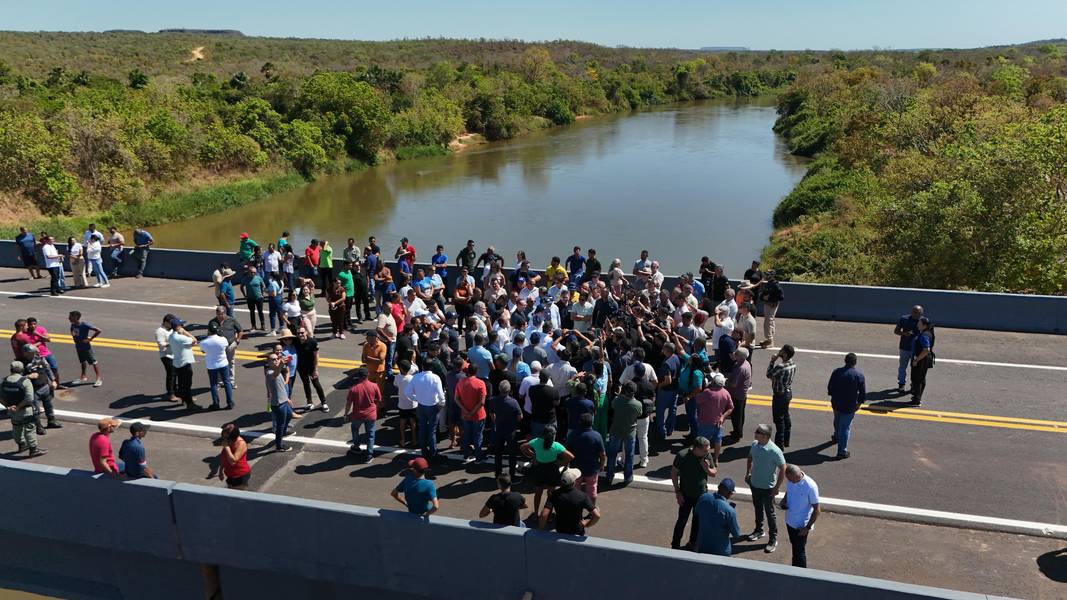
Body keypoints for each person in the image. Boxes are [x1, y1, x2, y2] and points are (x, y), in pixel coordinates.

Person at [743, 424, 786, 554]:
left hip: (768, 488)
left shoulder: (775, 451)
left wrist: (777, 487)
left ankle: (773, 539)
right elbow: (750, 457)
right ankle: (759, 530)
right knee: (758, 508)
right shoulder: (755, 444)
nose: (755, 433)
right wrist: (748, 473)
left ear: (766, 436)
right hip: (755, 484)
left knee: (770, 513)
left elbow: (783, 467)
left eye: (758, 432)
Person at [670, 436, 717, 550]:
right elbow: (674, 474)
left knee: (697, 521)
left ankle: (693, 542)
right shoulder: (682, 456)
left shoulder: (706, 456)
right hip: (685, 495)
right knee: (682, 521)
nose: (708, 452)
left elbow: (714, 472)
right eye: (705, 450)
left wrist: (706, 468)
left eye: (708, 449)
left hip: (701, 496)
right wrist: (678, 492)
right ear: (696, 449)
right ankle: (675, 545)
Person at [521, 425, 575, 515]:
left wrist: (531, 454)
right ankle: (547, 515)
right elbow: (571, 457)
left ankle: (536, 513)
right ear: (554, 435)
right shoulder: (556, 445)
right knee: (551, 493)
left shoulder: (536, 441)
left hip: (539, 469)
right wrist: (560, 462)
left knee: (538, 492)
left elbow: (522, 447)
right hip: (552, 470)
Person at [2, 361, 46, 457]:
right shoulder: (24, 381)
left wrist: (8, 406)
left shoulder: (4, 381)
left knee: (16, 428)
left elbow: (0, 397)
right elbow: (29, 398)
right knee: (30, 429)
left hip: (12, 411)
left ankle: (22, 445)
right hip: (25, 410)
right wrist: (18, 407)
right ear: (21, 370)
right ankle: (33, 449)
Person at [539, 468, 600, 535]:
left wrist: (541, 530)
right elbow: (597, 515)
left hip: (560, 529)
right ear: (574, 482)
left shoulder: (554, 494)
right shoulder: (582, 496)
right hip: (577, 530)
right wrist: (587, 524)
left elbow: (544, 514)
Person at [828, 352, 866, 459]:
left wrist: (833, 396)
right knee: (845, 428)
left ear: (845, 361)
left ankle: (836, 436)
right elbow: (862, 393)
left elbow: (830, 388)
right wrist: (858, 404)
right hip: (849, 405)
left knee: (837, 420)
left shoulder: (836, 372)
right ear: (855, 363)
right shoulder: (859, 375)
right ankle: (841, 451)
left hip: (836, 403)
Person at [782, 464, 820, 568]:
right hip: (790, 521)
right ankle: (795, 570)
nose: (790, 482)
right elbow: (789, 491)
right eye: (789, 480)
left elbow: (817, 509)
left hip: (801, 526)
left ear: (798, 475)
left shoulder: (810, 486)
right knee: (795, 547)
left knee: (799, 552)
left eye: (792, 480)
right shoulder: (791, 480)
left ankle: (801, 573)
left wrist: (807, 528)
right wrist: (784, 500)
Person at [692, 372, 733, 467]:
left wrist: (706, 387)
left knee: (701, 442)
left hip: (705, 422)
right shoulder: (725, 393)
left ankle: (701, 458)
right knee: (718, 441)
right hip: (718, 423)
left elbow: (697, 400)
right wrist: (723, 417)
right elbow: (731, 408)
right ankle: (715, 459)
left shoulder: (708, 392)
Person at [605, 381, 642, 486]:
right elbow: (639, 414)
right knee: (630, 456)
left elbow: (613, 406)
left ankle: (609, 476)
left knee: (612, 455)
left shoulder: (617, 401)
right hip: (630, 433)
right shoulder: (637, 404)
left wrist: (619, 394)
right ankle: (628, 477)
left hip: (616, 431)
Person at [344, 367, 383, 463]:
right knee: (370, 435)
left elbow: (349, 403)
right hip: (371, 414)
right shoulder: (374, 386)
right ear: (368, 375)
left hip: (357, 415)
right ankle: (369, 455)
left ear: (358, 377)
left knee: (355, 428)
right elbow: (379, 399)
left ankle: (356, 447)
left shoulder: (353, 389)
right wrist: (376, 408)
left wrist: (346, 414)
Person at [694, 478, 741, 556]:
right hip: (721, 551)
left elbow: (696, 512)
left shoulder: (703, 497)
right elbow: (736, 534)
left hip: (703, 547)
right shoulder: (730, 510)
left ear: (718, 487)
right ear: (729, 493)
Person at [567, 412, 606, 505]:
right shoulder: (597, 436)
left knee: (575, 489)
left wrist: (567, 465)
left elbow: (567, 452)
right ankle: (591, 510)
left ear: (580, 422)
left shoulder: (572, 434)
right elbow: (602, 454)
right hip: (592, 468)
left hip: (576, 469)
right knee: (592, 489)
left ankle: (576, 509)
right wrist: (602, 465)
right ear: (592, 422)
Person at [409, 367, 446, 459]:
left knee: (422, 429)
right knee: (432, 431)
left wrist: (416, 398)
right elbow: (441, 394)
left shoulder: (416, 377)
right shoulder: (435, 377)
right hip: (433, 407)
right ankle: (433, 453)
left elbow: (407, 392)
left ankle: (424, 451)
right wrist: (442, 404)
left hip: (421, 406)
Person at [489, 379, 522, 479]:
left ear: (499, 389)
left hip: (499, 429)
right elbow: (520, 417)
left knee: (498, 452)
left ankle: (497, 473)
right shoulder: (513, 402)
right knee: (512, 453)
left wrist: (495, 420)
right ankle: (512, 474)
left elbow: (491, 413)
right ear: (509, 390)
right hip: (510, 430)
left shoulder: (493, 400)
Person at [455, 363, 488, 462]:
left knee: (466, 434)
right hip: (478, 415)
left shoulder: (460, 382)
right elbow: (482, 402)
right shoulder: (481, 383)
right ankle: (478, 456)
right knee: (478, 436)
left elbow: (456, 399)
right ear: (476, 371)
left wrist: (466, 411)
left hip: (465, 415)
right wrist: (472, 412)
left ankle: (466, 454)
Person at [766, 344, 796, 448]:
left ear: (785, 354)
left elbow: (769, 374)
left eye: (782, 350)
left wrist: (772, 361)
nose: (780, 351)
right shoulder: (792, 364)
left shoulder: (780, 367)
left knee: (779, 420)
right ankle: (786, 440)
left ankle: (779, 443)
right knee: (786, 415)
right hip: (788, 393)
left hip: (780, 395)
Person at [293, 326, 329, 412]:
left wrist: (315, 369)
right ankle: (309, 402)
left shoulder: (312, 342)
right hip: (301, 367)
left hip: (311, 367)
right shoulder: (295, 341)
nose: (300, 334)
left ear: (306, 332)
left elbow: (316, 356)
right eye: (298, 333)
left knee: (316, 384)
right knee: (306, 384)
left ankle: (324, 402)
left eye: (302, 332)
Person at [207, 305, 243, 389]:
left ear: (225, 313)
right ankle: (220, 382)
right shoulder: (212, 322)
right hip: (218, 347)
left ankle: (231, 381)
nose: (219, 316)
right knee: (218, 363)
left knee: (231, 363)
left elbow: (240, 331)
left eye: (221, 314)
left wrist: (237, 340)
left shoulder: (231, 320)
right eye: (218, 314)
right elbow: (209, 333)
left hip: (230, 345)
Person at [265, 352, 294, 452]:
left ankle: (283, 432)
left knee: (289, 415)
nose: (276, 360)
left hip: (284, 401)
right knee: (280, 425)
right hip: (278, 404)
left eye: (277, 358)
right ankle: (279, 445)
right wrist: (281, 364)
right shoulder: (270, 373)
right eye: (273, 359)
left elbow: (281, 387)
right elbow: (276, 373)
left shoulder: (276, 370)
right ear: (268, 362)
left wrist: (287, 399)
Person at [169, 319, 200, 410]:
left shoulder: (171, 336)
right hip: (184, 363)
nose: (183, 327)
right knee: (187, 384)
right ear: (178, 327)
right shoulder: (180, 337)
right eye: (181, 325)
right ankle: (189, 404)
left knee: (182, 383)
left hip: (177, 362)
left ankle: (184, 399)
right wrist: (185, 332)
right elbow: (194, 340)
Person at [200, 329, 234, 410]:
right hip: (223, 364)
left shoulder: (204, 342)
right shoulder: (223, 339)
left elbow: (203, 351)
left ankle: (216, 403)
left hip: (212, 366)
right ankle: (230, 402)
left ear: (209, 331)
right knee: (227, 382)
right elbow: (226, 347)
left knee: (214, 384)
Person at [68, 311, 102, 387]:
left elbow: (98, 330)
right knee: (82, 362)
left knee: (93, 361)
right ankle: (83, 377)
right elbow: (72, 330)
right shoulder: (73, 325)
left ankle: (98, 378)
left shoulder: (84, 325)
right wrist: (73, 336)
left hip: (86, 347)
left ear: (76, 317)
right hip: (78, 346)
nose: (69, 318)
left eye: (70, 316)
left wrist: (90, 339)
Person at [894, 305, 923, 392]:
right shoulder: (904, 319)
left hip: (917, 349)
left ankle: (913, 385)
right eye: (914, 312)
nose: (915, 314)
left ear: (921, 313)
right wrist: (905, 334)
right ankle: (901, 385)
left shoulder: (923, 321)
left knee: (915, 368)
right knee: (903, 367)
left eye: (917, 313)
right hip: (904, 348)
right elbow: (896, 331)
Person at [725, 348, 752, 441]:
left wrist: (725, 382)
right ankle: (739, 431)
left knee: (736, 416)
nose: (734, 354)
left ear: (740, 357)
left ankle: (737, 434)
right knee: (740, 414)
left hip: (737, 394)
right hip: (742, 393)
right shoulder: (746, 363)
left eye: (736, 353)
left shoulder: (740, 368)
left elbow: (734, 384)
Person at [910, 316, 935, 406]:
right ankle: (917, 396)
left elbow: (926, 349)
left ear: (924, 326)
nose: (917, 324)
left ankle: (916, 400)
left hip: (921, 360)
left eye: (919, 323)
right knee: (921, 378)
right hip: (923, 359)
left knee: (917, 379)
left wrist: (916, 360)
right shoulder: (926, 333)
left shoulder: (924, 335)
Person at [219, 423, 251, 490]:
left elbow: (233, 462)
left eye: (226, 437)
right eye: (223, 437)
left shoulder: (241, 444)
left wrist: (226, 447)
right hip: (230, 474)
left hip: (240, 475)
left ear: (233, 437)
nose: (224, 439)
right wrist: (220, 470)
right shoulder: (228, 442)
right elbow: (224, 457)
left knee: (236, 496)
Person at [757, 270, 784, 348]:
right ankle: (768, 339)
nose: (766, 276)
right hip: (767, 304)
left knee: (769, 321)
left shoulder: (776, 285)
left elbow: (781, 297)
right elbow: (761, 294)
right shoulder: (768, 284)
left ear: (772, 276)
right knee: (768, 320)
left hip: (772, 305)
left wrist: (770, 298)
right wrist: (763, 297)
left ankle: (770, 341)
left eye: (768, 275)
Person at [242, 266, 266, 331]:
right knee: (252, 312)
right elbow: (241, 287)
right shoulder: (246, 279)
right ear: (249, 272)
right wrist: (245, 295)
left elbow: (263, 286)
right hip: (250, 298)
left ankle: (262, 325)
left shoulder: (259, 278)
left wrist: (262, 293)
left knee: (260, 312)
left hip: (259, 298)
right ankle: (253, 326)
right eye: (251, 272)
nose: (253, 273)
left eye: (254, 272)